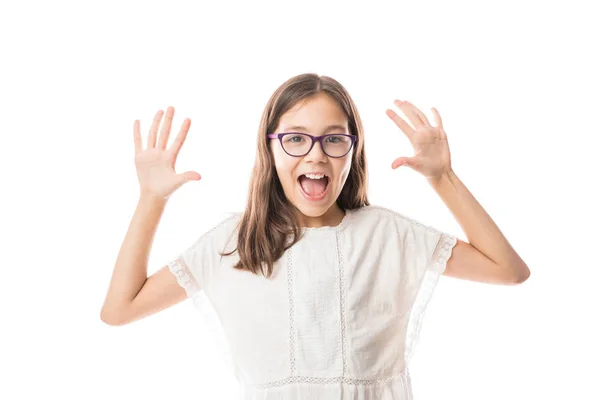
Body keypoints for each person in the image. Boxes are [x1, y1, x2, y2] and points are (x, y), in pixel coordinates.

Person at [100, 73, 530, 399]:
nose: (316, 154)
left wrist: (443, 177)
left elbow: (508, 270)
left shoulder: (387, 236)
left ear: (353, 149)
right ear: (269, 148)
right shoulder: (233, 243)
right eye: (296, 139)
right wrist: (151, 199)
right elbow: (121, 308)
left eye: (334, 140)